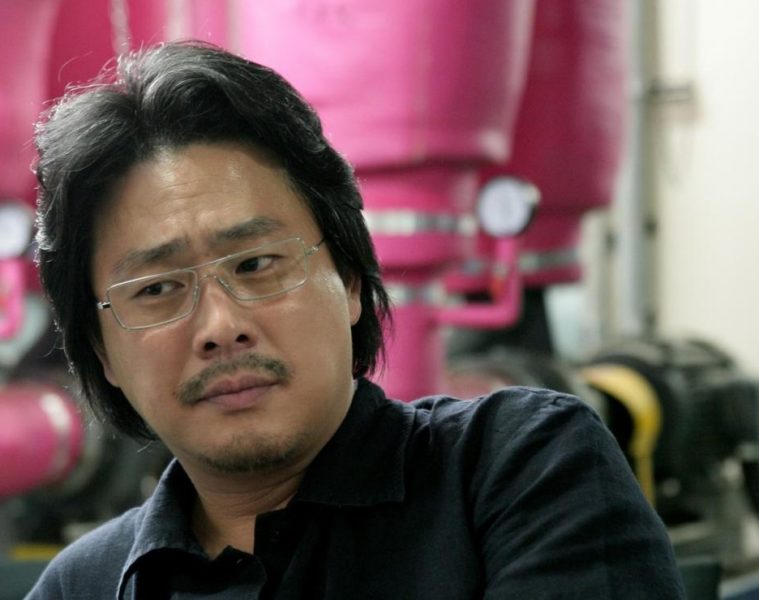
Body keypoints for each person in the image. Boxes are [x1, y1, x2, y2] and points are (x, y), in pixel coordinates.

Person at [26, 40, 685, 599]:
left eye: (256, 264)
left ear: (348, 280)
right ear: (102, 351)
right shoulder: (80, 586)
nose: (220, 326)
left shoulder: (516, 470)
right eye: (156, 288)